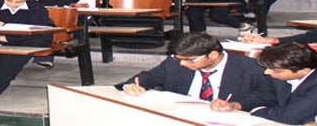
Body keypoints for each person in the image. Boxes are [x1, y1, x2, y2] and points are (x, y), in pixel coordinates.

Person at [210, 42, 317, 125]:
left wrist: (256, 111)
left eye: (275, 70)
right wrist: (236, 105)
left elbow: (289, 117)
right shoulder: (283, 70)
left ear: (304, 70)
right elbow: (268, 95)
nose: (267, 73)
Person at [114, 33, 274, 107]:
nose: (183, 65)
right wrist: (132, 86)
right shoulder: (175, 63)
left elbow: (267, 96)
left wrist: (236, 105)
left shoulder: (250, 67)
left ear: (213, 54)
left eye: (190, 60)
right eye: (180, 60)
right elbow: (147, 78)